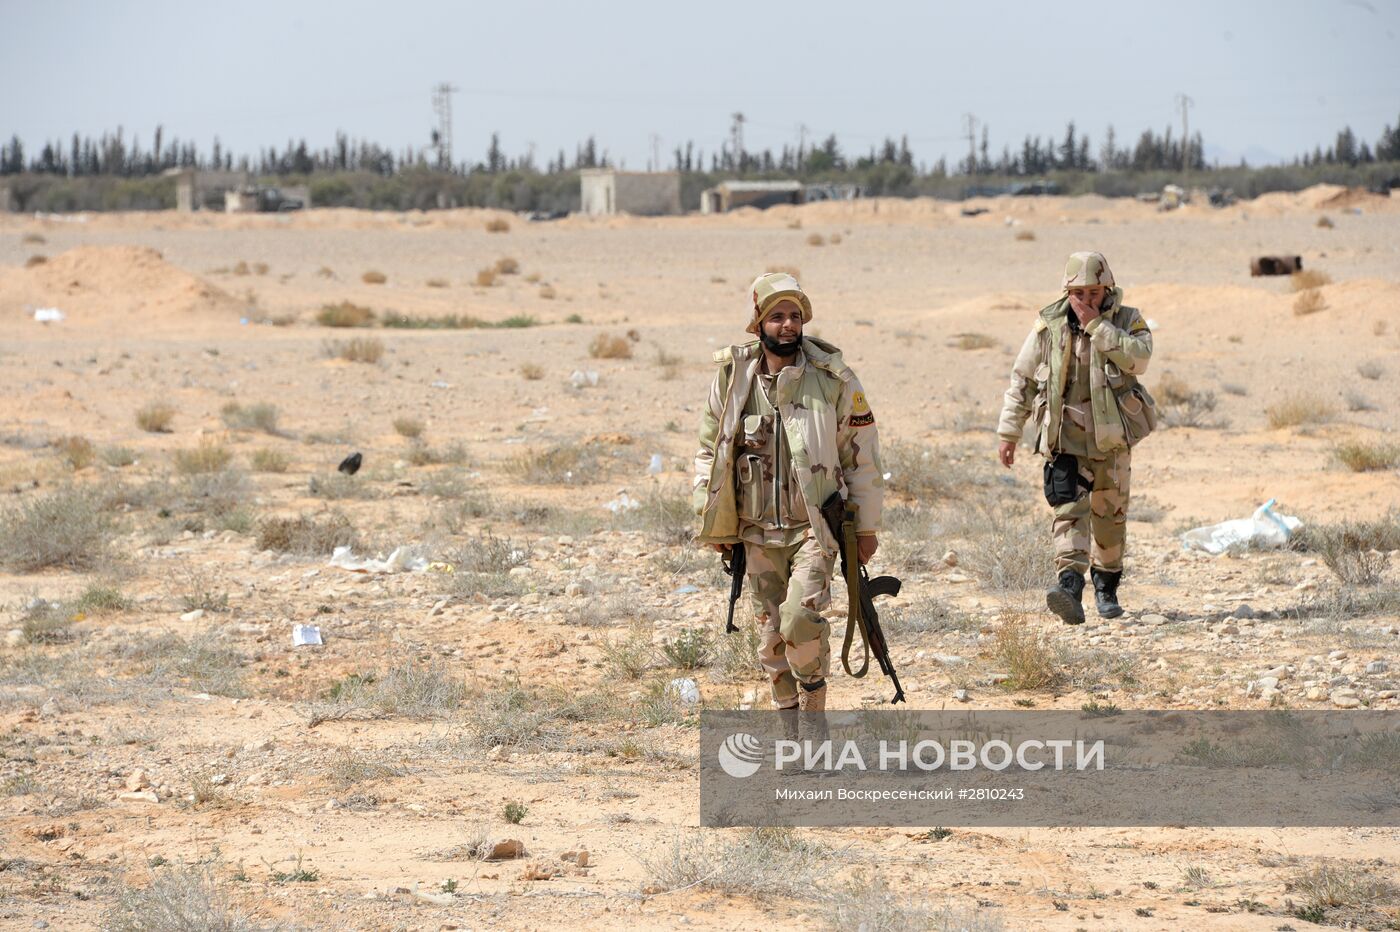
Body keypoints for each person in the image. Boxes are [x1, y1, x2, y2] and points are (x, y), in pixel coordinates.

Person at [694, 272, 884, 713]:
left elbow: (861, 456)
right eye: (776, 316)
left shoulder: (832, 377)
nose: (787, 325)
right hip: (755, 531)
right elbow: (709, 451)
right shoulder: (733, 377)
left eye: (794, 316)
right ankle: (791, 738)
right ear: (758, 323)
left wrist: (868, 528)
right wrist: (712, 521)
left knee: (799, 619)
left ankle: (813, 714)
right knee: (771, 641)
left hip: (814, 527)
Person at [996, 252, 1156, 624]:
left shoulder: (1128, 321)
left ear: (1108, 289)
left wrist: (1098, 327)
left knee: (1109, 518)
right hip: (1063, 440)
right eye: (1079, 292)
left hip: (1111, 441)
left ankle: (1106, 588)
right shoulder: (1048, 326)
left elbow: (1140, 359)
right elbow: (1022, 381)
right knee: (1067, 512)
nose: (1087, 300)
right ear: (1067, 291)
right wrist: (1009, 433)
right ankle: (1069, 586)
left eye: (1095, 292)